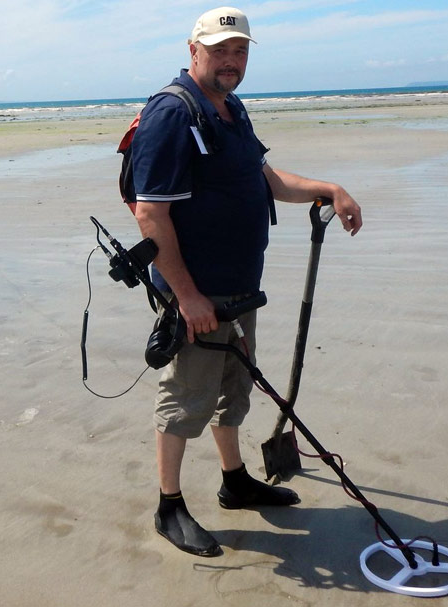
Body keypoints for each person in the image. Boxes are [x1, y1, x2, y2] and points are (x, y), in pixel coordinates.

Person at [130, 6, 363, 557]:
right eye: (220, 50)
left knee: (233, 392)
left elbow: (263, 177)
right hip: (196, 297)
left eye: (241, 52)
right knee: (185, 400)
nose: (232, 61)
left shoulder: (232, 108)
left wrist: (328, 187)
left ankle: (234, 481)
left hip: (239, 288)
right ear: (193, 50)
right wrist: (186, 297)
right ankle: (168, 506)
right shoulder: (171, 112)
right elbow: (149, 213)